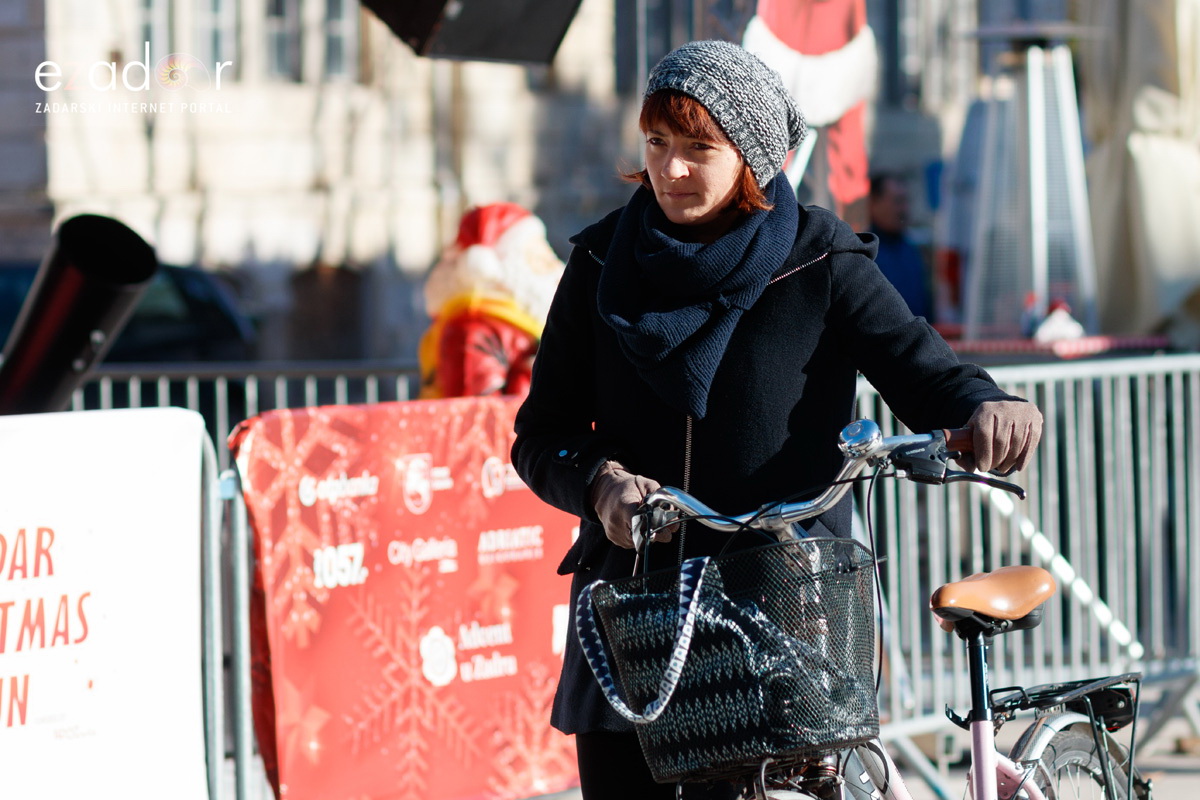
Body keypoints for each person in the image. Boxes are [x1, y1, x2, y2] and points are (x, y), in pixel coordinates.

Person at [511, 40, 1042, 800]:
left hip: (784, 604)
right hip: (634, 612)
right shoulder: (600, 262)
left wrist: (985, 404)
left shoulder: (817, 256)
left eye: (700, 148)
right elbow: (542, 434)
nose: (671, 169)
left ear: (754, 159)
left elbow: (920, 367)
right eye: (657, 143)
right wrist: (597, 484)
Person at [418, 202, 565, 399]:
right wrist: (534, 375)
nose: (555, 267)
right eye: (539, 259)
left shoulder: (521, 326)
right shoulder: (474, 332)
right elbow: (474, 411)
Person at [868, 171, 933, 320]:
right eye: (897, 201)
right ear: (874, 203)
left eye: (906, 201)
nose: (904, 209)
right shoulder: (865, 252)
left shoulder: (913, 250)